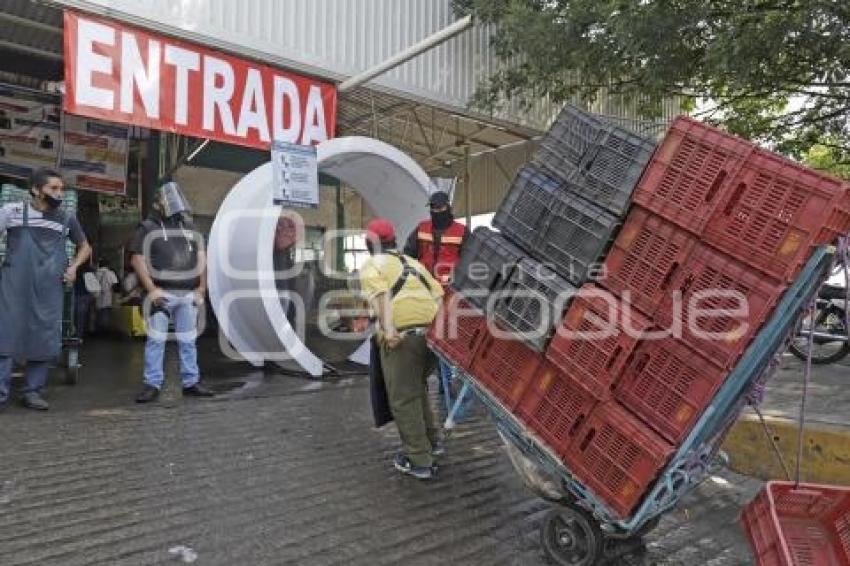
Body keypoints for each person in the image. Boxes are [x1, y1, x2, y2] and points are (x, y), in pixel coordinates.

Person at [0, 168, 92, 411]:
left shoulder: (66, 219)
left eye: (61, 189)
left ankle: (32, 392)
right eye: (53, 188)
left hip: (49, 288)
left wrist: (73, 268)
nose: (59, 193)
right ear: (36, 190)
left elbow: (85, 247)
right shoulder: (13, 212)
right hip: (14, 285)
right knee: (6, 333)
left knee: (44, 335)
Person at [360, 218, 444, 479]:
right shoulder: (414, 263)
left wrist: (389, 330)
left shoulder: (373, 265)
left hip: (403, 338)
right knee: (417, 390)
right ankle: (432, 443)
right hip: (430, 337)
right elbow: (439, 295)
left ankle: (419, 461)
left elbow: (380, 295)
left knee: (404, 399)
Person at [129, 181, 213, 403]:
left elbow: (202, 258)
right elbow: (137, 259)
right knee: (156, 341)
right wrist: (152, 289)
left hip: (187, 294)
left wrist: (201, 287)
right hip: (161, 294)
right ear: (157, 203)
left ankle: (191, 382)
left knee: (188, 340)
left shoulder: (190, 228)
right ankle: (152, 384)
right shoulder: (147, 227)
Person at [403, 190, 470, 404]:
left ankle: (445, 381)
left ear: (448, 208)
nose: (436, 212)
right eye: (433, 209)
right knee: (424, 337)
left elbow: (469, 260)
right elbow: (408, 254)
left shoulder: (461, 232)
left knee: (447, 338)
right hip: (424, 294)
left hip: (449, 294)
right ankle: (428, 378)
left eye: (439, 209)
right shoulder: (421, 229)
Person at [94, 258, 118, 333]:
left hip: (96, 296)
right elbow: (115, 285)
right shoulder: (110, 273)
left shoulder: (95, 273)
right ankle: (104, 330)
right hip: (107, 296)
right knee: (105, 313)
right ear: (107, 265)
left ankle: (98, 329)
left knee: (98, 314)